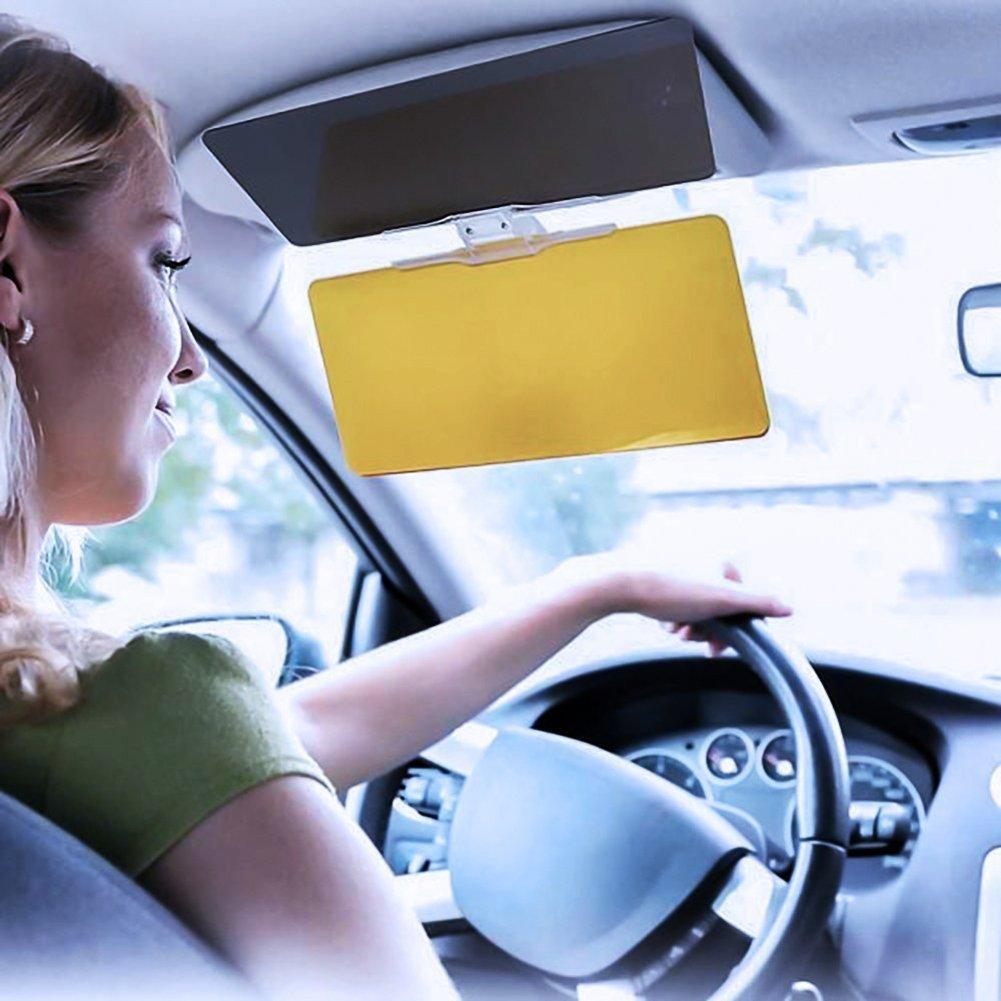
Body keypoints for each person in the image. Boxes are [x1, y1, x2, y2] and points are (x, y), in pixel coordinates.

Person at [0, 15, 793, 1001]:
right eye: (164, 261)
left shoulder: (73, 724)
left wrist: (591, 588)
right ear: (8, 267)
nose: (192, 358)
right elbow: (198, 743)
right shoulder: (136, 712)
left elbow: (238, 749)